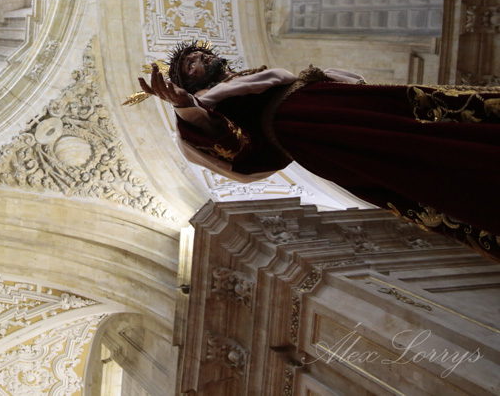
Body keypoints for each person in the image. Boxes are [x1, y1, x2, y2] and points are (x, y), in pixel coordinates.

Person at [131, 41, 500, 254]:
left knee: (418, 121)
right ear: (189, 85)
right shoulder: (211, 103)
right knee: (398, 153)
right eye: (190, 65)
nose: (200, 59)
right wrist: (186, 107)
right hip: (308, 130)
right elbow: (232, 144)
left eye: (198, 55)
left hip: (330, 103)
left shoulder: (250, 77)